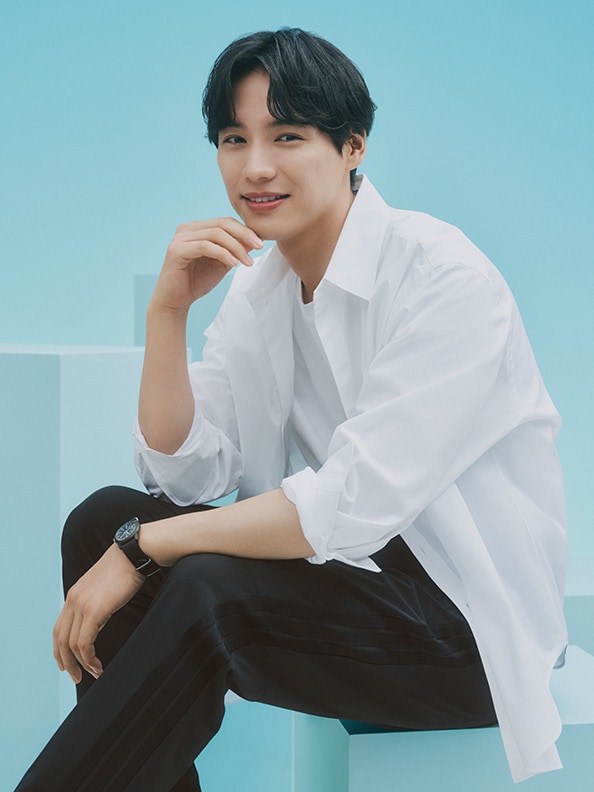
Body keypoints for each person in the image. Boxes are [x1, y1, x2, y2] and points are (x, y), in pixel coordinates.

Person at [16, 27, 567, 791]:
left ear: (353, 147)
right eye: (234, 138)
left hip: (470, 634)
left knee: (193, 579)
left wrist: (146, 547)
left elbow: (350, 501)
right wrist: (167, 315)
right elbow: (191, 468)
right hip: (371, 584)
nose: (256, 166)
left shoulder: (444, 278)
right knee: (100, 518)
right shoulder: (263, 288)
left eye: (288, 135)